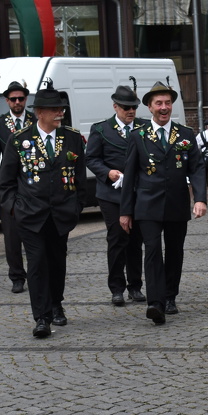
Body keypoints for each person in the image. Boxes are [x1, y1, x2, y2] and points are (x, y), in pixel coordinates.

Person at [0, 82, 86, 338]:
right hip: (30, 215)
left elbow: (80, 177)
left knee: (57, 262)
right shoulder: (19, 139)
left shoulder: (72, 137)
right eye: (55, 109)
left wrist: (76, 206)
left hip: (61, 214)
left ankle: (56, 304)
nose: (60, 113)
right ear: (40, 113)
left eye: (61, 109)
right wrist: (14, 209)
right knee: (36, 264)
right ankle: (42, 318)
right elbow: (6, 182)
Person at [120, 81, 207, 325]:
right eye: (158, 103)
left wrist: (200, 198)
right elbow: (130, 176)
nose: (164, 107)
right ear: (149, 107)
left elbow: (197, 168)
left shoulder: (185, 134)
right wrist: (125, 211)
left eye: (167, 103)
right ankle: (155, 303)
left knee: (175, 251)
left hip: (177, 203)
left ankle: (170, 296)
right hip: (147, 205)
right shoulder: (138, 136)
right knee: (152, 251)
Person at [85, 84, 146, 308]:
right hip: (112, 194)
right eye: (126, 107)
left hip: (138, 192)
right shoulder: (101, 129)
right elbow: (91, 158)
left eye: (134, 107)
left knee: (135, 239)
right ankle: (117, 288)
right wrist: (107, 172)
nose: (131, 111)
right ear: (115, 107)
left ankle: (135, 286)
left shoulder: (144, 127)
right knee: (118, 238)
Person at [0, 81, 36, 294]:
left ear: (26, 100)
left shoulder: (36, 120)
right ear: (7, 101)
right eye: (13, 99)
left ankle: (37, 273)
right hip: (8, 186)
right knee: (11, 234)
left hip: (33, 183)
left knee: (35, 231)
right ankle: (16, 276)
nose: (17, 102)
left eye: (21, 98)